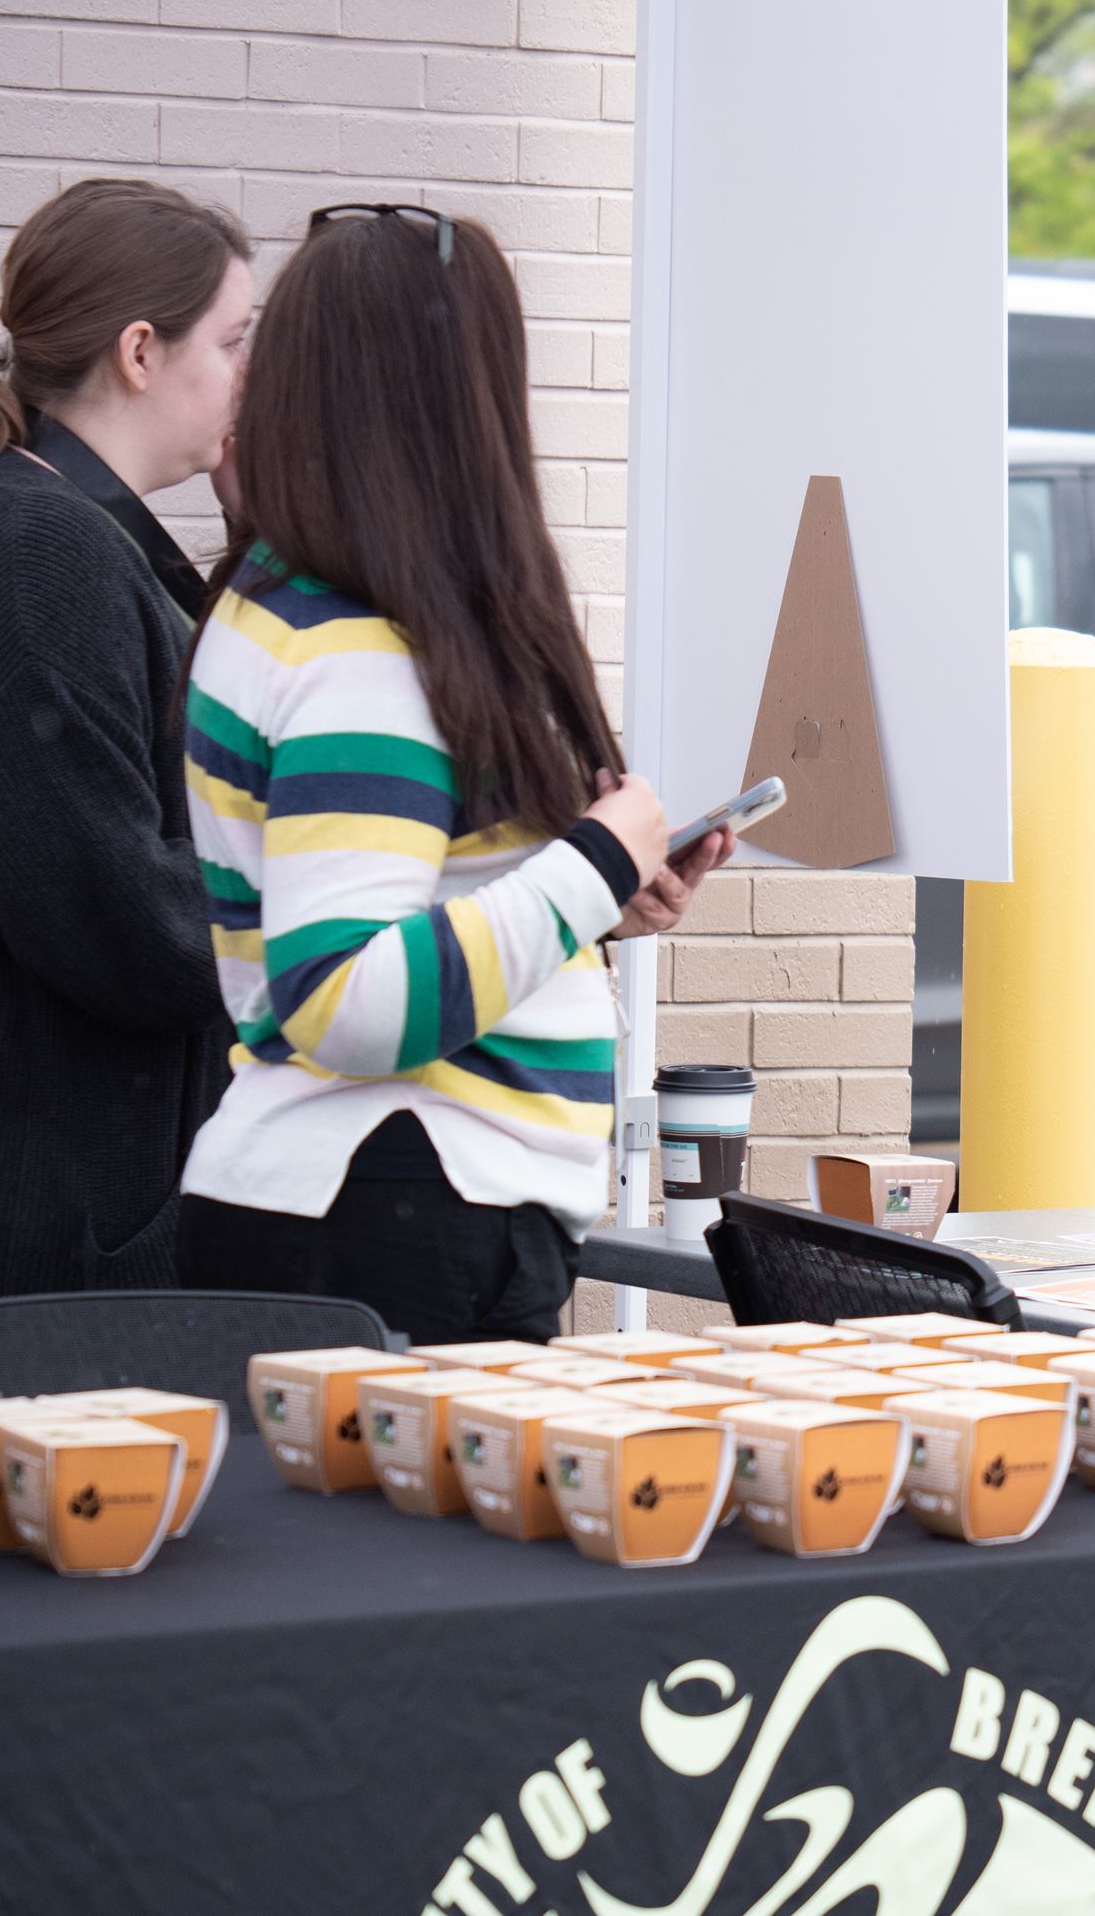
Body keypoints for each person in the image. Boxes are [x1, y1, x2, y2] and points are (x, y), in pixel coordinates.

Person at [175, 204, 730, 1345]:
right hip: (403, 1207)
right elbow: (344, 995)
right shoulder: (356, 656)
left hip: (364, 1201)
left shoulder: (285, 606)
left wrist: (593, 901)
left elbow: (401, 899)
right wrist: (586, 868)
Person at [0, 179, 254, 1317]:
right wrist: (343, 909)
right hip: (54, 1242)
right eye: (232, 342)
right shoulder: (39, 546)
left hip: (54, 1213)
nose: (248, 378)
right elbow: (121, 922)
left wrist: (257, 532)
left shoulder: (49, 528)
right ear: (140, 351)